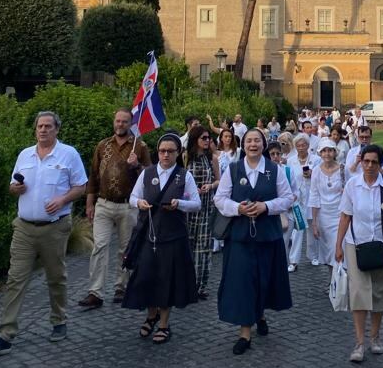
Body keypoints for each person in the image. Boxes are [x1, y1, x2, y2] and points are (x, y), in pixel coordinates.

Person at [0, 112, 87, 357]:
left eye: (48, 126)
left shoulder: (68, 154)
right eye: (40, 126)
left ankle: (59, 319)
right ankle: (5, 334)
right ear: (35, 129)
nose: (43, 130)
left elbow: (80, 186)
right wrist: (15, 188)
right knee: (15, 279)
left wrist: (62, 200)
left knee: (55, 276)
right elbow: (11, 187)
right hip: (24, 227)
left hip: (55, 227)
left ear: (57, 129)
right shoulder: (24, 155)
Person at [214, 128, 294, 354]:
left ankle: (260, 314)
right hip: (240, 237)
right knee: (243, 283)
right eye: (249, 141)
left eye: (257, 141)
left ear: (263, 144)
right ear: (243, 145)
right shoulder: (233, 169)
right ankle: (245, 333)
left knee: (263, 279)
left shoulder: (274, 170)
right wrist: (238, 208)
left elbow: (287, 198)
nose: (253, 145)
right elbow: (220, 199)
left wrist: (266, 207)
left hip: (268, 235)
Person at [123, 132, 200, 342]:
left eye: (170, 151)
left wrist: (180, 204)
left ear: (178, 153)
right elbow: (133, 197)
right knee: (147, 277)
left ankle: (164, 324)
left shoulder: (184, 176)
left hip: (174, 236)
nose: (165, 155)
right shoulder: (147, 173)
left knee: (167, 280)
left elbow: (197, 203)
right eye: (162, 151)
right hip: (150, 235)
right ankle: (151, 315)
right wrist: (139, 203)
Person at [335, 144, 383, 363]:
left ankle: (375, 337)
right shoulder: (352, 185)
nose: (369, 166)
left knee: (379, 293)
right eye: (366, 161)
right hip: (356, 246)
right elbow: (345, 216)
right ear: (361, 161)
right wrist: (338, 246)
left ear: (380, 163)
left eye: (374, 162)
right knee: (359, 294)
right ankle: (359, 343)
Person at [78, 108, 151, 309]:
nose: (120, 125)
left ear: (130, 123)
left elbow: (151, 175)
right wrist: (89, 202)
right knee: (99, 247)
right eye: (118, 121)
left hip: (128, 205)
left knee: (125, 249)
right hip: (104, 203)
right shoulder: (102, 145)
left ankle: (122, 286)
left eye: (124, 122)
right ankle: (95, 292)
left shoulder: (140, 146)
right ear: (114, 122)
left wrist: (137, 166)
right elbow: (93, 174)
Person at [184, 125, 220, 298]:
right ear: (195, 139)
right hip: (188, 209)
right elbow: (177, 180)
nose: (207, 141)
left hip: (206, 208)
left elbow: (218, 180)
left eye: (209, 138)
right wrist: (189, 191)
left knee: (203, 248)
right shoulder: (185, 157)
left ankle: (200, 286)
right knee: (187, 246)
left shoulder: (211, 158)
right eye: (204, 138)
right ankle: (186, 283)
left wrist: (210, 186)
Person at [286, 132, 321, 271]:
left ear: (308, 145)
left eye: (304, 145)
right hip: (297, 199)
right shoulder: (290, 160)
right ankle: (293, 260)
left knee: (313, 227)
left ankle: (314, 256)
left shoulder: (316, 159)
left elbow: (320, 176)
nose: (301, 147)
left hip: (311, 197)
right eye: (298, 145)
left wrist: (312, 174)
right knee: (298, 229)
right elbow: (288, 179)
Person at [310, 138, 346, 269]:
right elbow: (314, 196)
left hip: (340, 214)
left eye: (330, 150)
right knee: (329, 251)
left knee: (339, 247)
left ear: (335, 152)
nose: (327, 154)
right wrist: (314, 223)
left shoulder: (343, 169)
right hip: (324, 216)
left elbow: (350, 191)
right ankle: (333, 283)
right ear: (320, 153)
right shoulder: (316, 171)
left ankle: (340, 282)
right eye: (324, 151)